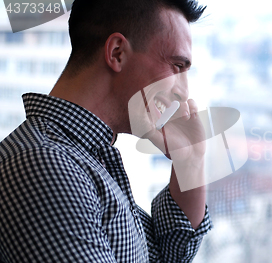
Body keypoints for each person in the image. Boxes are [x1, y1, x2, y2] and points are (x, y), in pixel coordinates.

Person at [0, 0, 212, 262]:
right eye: (177, 66)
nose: (183, 91)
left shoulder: (86, 161)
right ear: (117, 53)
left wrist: (190, 160)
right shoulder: (45, 165)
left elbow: (165, 257)